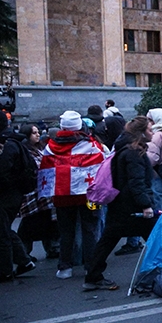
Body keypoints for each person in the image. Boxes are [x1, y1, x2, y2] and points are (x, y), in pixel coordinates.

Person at [84, 117, 157, 291]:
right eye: (149, 129)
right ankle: (160, 273)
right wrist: (146, 205)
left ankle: (92, 276)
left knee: (107, 241)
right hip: (133, 207)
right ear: (141, 133)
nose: (152, 133)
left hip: (120, 205)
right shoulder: (134, 153)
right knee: (157, 239)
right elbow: (136, 182)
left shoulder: (123, 149)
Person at [39, 110, 105, 279]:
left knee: (66, 231)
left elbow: (46, 172)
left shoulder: (50, 147)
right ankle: (90, 266)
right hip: (89, 197)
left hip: (62, 198)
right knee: (90, 229)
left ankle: (64, 267)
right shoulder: (91, 145)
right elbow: (102, 167)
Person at [0, 109, 37, 284]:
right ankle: (24, 261)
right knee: (2, 230)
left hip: (2, 196)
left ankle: (5, 271)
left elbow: (0, 173)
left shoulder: (5, 144)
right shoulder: (9, 141)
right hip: (8, 194)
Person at [16, 124, 59, 261]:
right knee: (29, 225)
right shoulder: (25, 152)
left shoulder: (40, 149)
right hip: (32, 192)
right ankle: (23, 254)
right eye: (34, 133)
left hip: (45, 192)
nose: (38, 135)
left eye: (38, 132)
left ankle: (52, 248)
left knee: (49, 222)